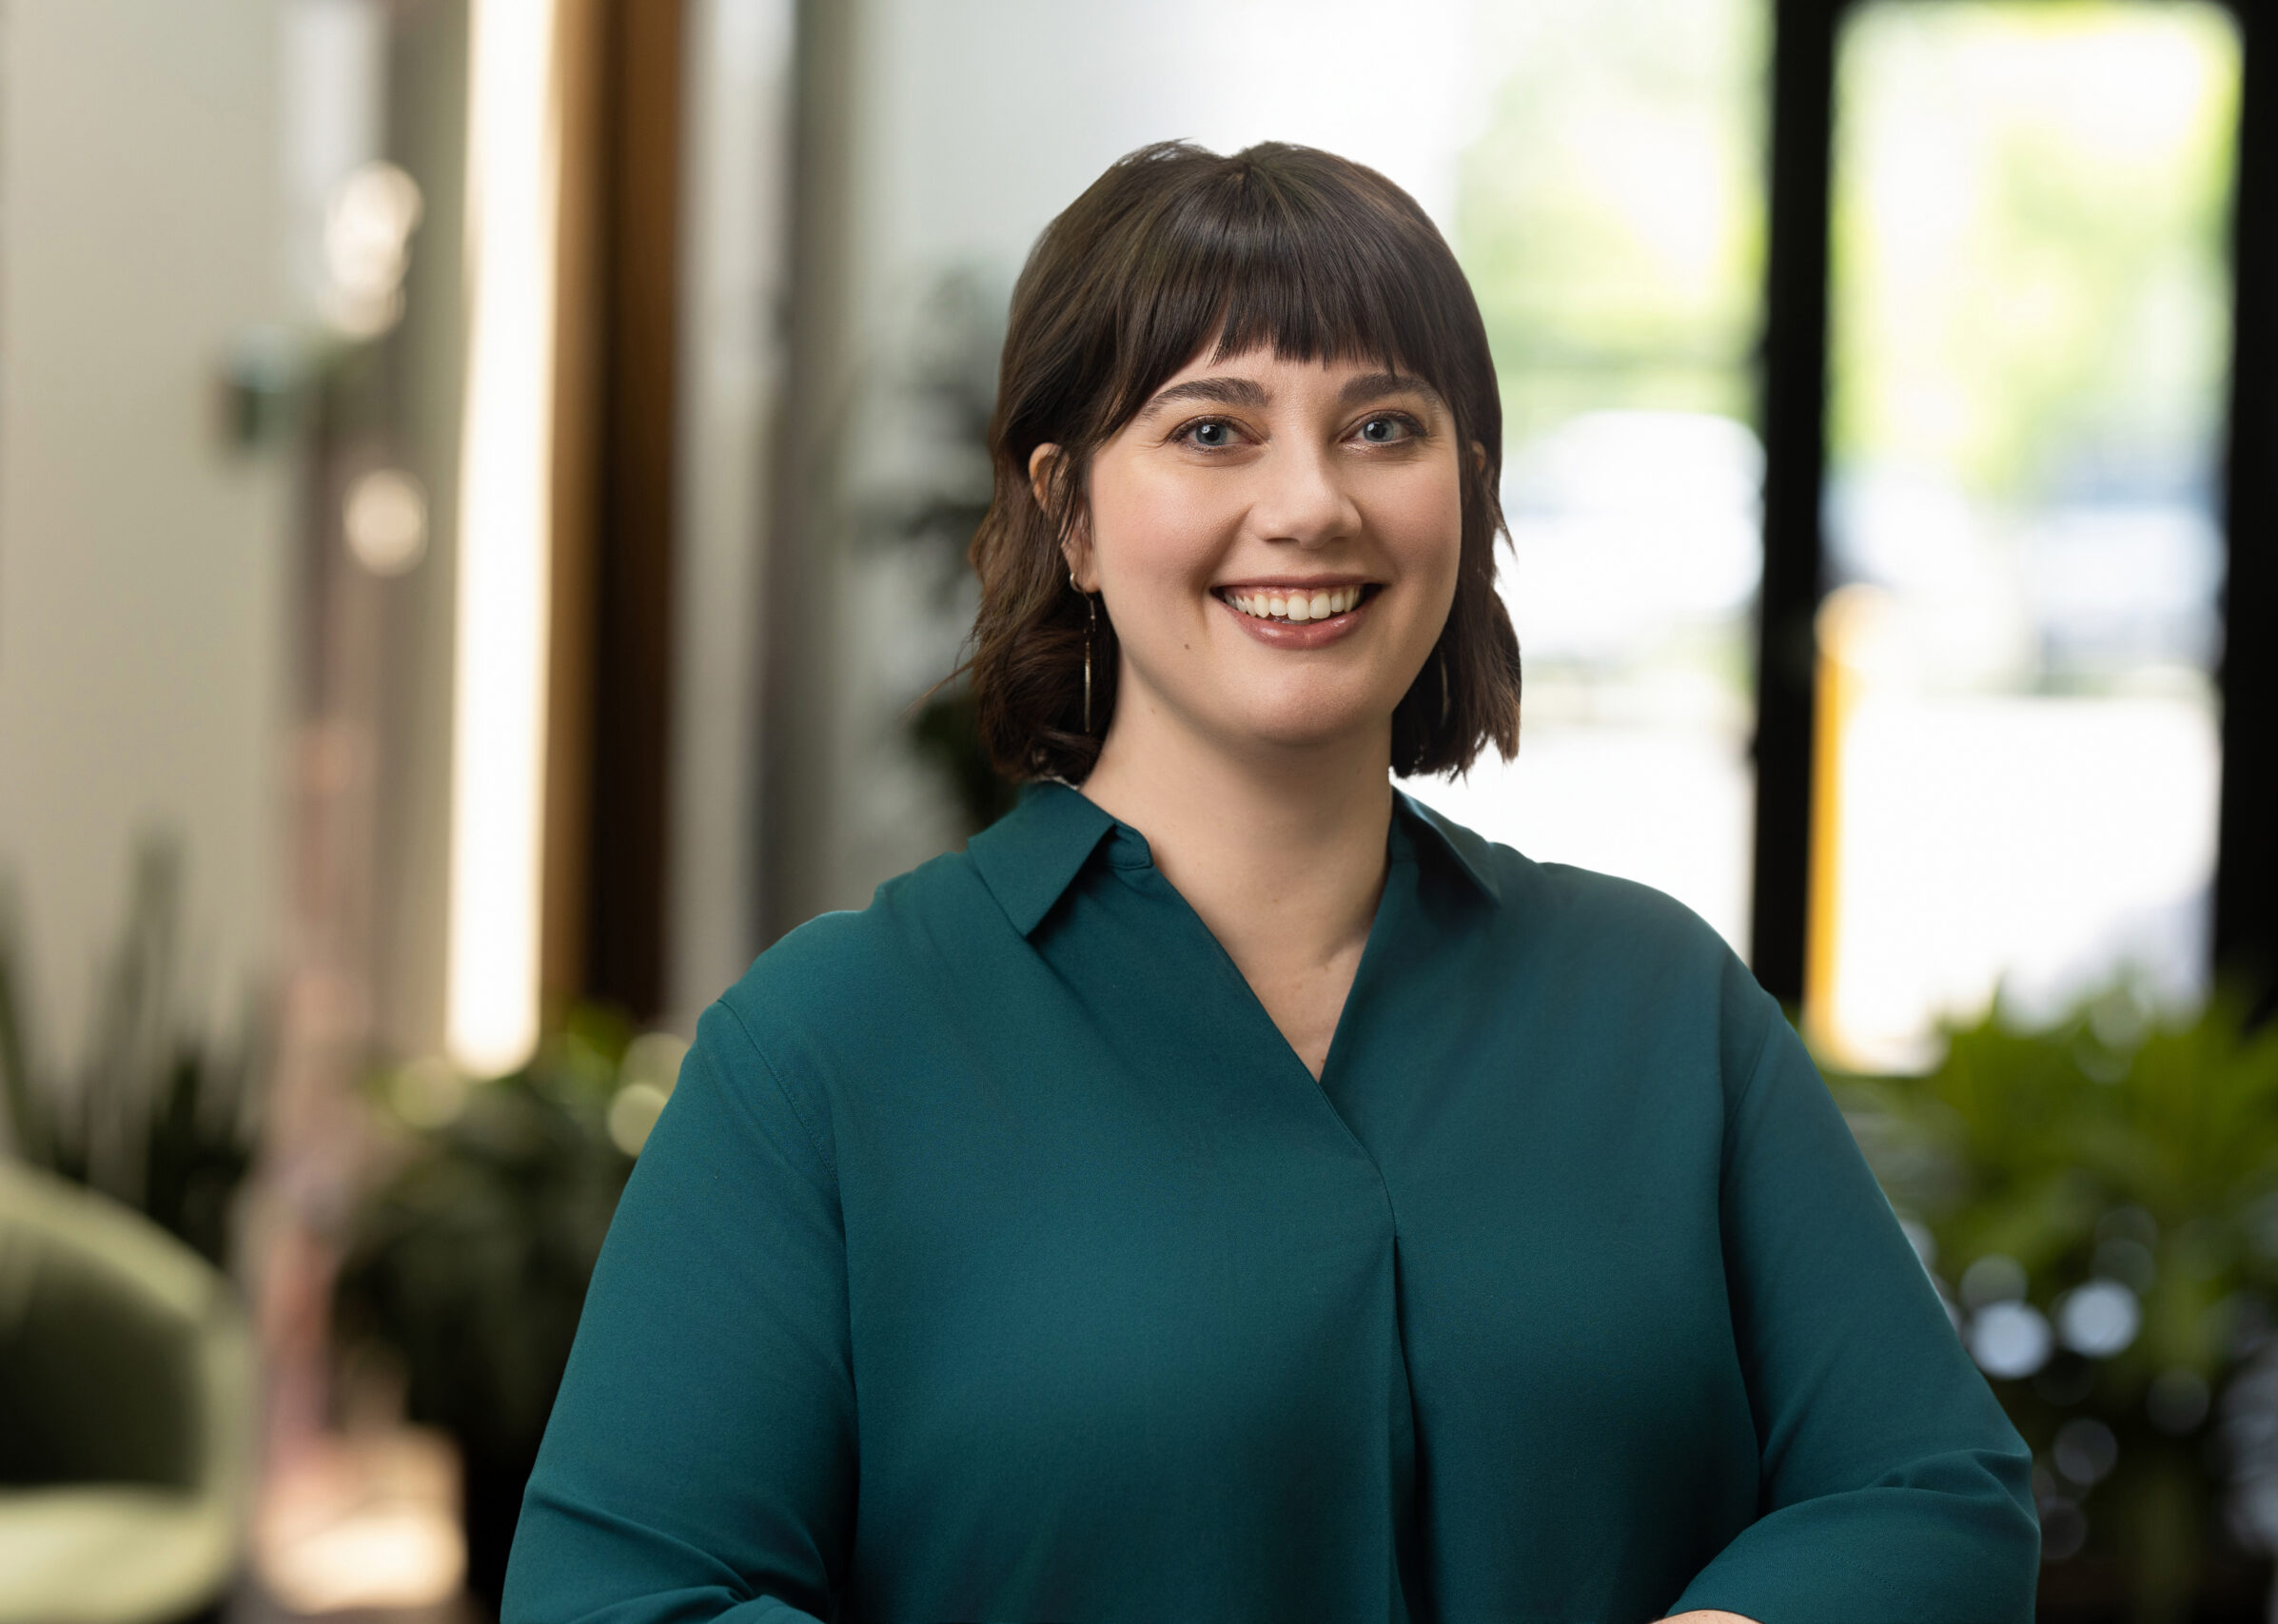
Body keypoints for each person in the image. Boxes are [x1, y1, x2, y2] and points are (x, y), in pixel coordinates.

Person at [502, 141, 2039, 1624]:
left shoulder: (1659, 1007)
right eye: (1212, 431)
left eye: (1383, 427)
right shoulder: (827, 1050)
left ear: (1468, 491)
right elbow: (619, 1600)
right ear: (1070, 511)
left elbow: (1937, 1497)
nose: (1311, 503)